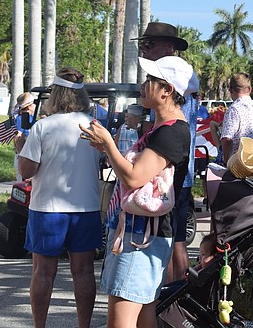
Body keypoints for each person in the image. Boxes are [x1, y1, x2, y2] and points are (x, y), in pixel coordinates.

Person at [82, 56, 193, 328]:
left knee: (121, 320)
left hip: (141, 237)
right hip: (140, 233)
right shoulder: (162, 129)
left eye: (150, 81)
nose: (143, 86)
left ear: (167, 90)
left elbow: (133, 178)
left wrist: (109, 144)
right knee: (144, 317)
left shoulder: (171, 132)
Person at [17, 68, 101, 328]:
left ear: (56, 94)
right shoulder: (94, 126)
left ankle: (39, 326)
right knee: (84, 271)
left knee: (43, 272)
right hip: (85, 206)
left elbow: (27, 171)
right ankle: (83, 325)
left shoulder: (43, 126)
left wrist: (21, 150)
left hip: (47, 208)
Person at [133, 21, 200, 284]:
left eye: (149, 44)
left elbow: (171, 131)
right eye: (143, 44)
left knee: (174, 239)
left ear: (168, 48)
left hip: (171, 173)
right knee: (173, 239)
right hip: (167, 171)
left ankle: (175, 301)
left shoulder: (178, 84)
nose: (145, 49)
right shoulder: (168, 82)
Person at [219, 73, 253, 164]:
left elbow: (227, 139)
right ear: (249, 89)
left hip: (240, 166)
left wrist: (228, 163)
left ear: (231, 90)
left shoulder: (234, 110)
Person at [13, 92, 36, 181]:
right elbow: (18, 137)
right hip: (24, 155)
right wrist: (21, 154)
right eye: (33, 103)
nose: (34, 105)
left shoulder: (32, 117)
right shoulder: (21, 119)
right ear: (29, 106)